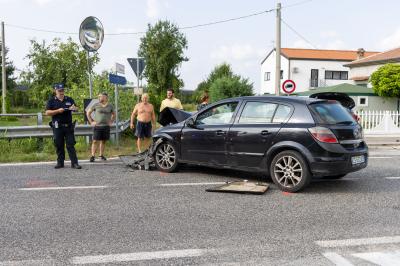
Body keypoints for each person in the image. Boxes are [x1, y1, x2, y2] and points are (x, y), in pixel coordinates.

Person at [45, 83, 81, 169]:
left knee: (70, 144)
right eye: (59, 90)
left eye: (62, 90)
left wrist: (74, 108)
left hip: (68, 126)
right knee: (59, 145)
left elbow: (76, 108)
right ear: (55, 91)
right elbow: (47, 112)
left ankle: (74, 163)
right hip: (57, 127)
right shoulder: (51, 101)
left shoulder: (69, 99)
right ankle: (60, 163)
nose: (61, 92)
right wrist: (57, 111)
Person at [87, 92, 115, 162]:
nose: (100, 98)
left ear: (105, 98)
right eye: (99, 97)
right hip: (97, 126)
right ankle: (92, 156)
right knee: (95, 141)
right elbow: (88, 113)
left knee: (103, 141)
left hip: (106, 126)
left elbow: (114, 114)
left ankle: (101, 155)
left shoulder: (110, 106)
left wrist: (111, 121)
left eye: (101, 97)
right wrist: (91, 122)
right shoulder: (96, 105)